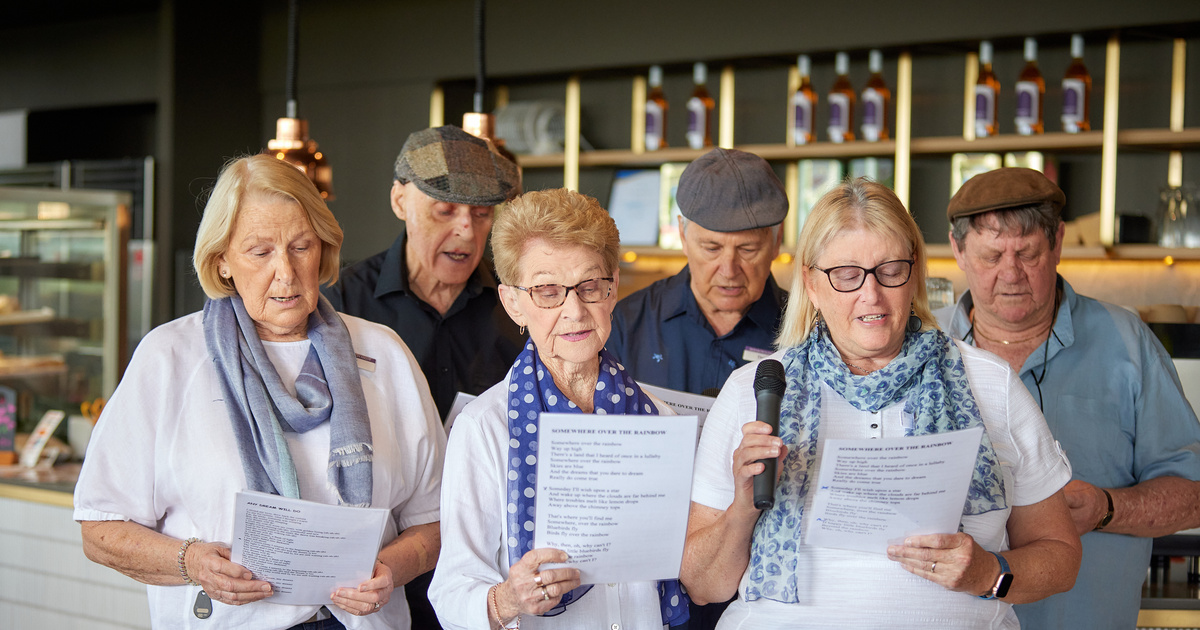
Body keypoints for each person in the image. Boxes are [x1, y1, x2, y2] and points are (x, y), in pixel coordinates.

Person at [682, 178, 1081, 629]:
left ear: (914, 273)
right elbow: (703, 585)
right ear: (812, 284)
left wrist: (989, 574)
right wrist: (742, 507)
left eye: (890, 270)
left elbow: (1061, 558)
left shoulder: (991, 384)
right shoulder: (751, 391)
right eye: (847, 275)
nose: (870, 296)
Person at [74, 154, 446, 629]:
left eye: (301, 246)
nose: (286, 273)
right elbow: (100, 528)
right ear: (223, 261)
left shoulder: (384, 353)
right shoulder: (169, 358)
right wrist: (191, 562)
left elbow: (434, 519)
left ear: (324, 249)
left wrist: (391, 569)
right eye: (260, 251)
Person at [936, 167, 1200, 630]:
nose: (1011, 273)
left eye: (1029, 253)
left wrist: (1107, 508)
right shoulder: (920, 344)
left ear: (1057, 242)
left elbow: (1194, 495)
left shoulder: (1127, 343)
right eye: (992, 255)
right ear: (958, 250)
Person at [429, 189, 691, 629]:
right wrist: (507, 599)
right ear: (514, 303)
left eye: (589, 286)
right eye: (548, 291)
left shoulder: (661, 420)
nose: (575, 311)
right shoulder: (485, 428)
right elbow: (451, 594)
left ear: (613, 289)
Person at [323, 124, 524, 422]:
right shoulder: (341, 303)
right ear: (399, 201)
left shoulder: (518, 306)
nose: (467, 231)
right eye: (445, 211)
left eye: (482, 214)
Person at [608, 148, 787, 396]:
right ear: (682, 234)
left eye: (747, 249)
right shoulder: (626, 325)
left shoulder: (807, 333)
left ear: (777, 242)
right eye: (711, 248)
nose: (728, 271)